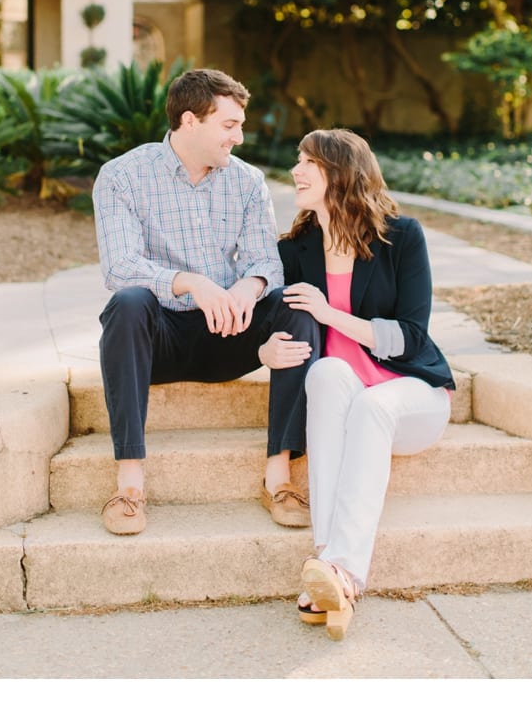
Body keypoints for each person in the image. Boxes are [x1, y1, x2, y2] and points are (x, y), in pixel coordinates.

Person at [93, 68, 318, 536]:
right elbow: (118, 267)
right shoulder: (122, 176)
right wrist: (190, 282)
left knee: (297, 304)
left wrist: (248, 286)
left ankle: (279, 478)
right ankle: (130, 487)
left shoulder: (247, 181)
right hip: (158, 342)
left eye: (240, 124)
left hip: (231, 335)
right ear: (190, 121)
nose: (240, 136)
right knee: (128, 303)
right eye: (230, 124)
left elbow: (265, 261)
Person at [271, 128, 456, 641]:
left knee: (372, 405)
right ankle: (332, 570)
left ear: (341, 173)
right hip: (348, 393)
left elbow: (413, 335)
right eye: (298, 159)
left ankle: (341, 569)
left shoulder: (402, 237)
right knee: (327, 373)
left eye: (309, 161)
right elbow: (268, 317)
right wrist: (263, 350)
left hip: (411, 393)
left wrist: (331, 314)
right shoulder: (296, 248)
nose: (296, 170)